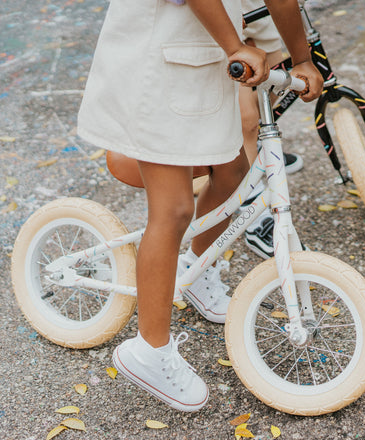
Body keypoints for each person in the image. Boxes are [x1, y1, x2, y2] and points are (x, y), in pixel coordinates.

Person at [77, 0, 322, 412]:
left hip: (204, 66)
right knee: (172, 210)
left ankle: (197, 267)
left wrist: (303, 57)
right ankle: (149, 350)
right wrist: (234, 45)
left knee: (232, 173)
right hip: (159, 62)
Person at [239, 0, 306, 259]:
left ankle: (250, 148)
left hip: (255, 6)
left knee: (275, 76)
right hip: (223, 13)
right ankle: (252, 212)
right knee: (245, 118)